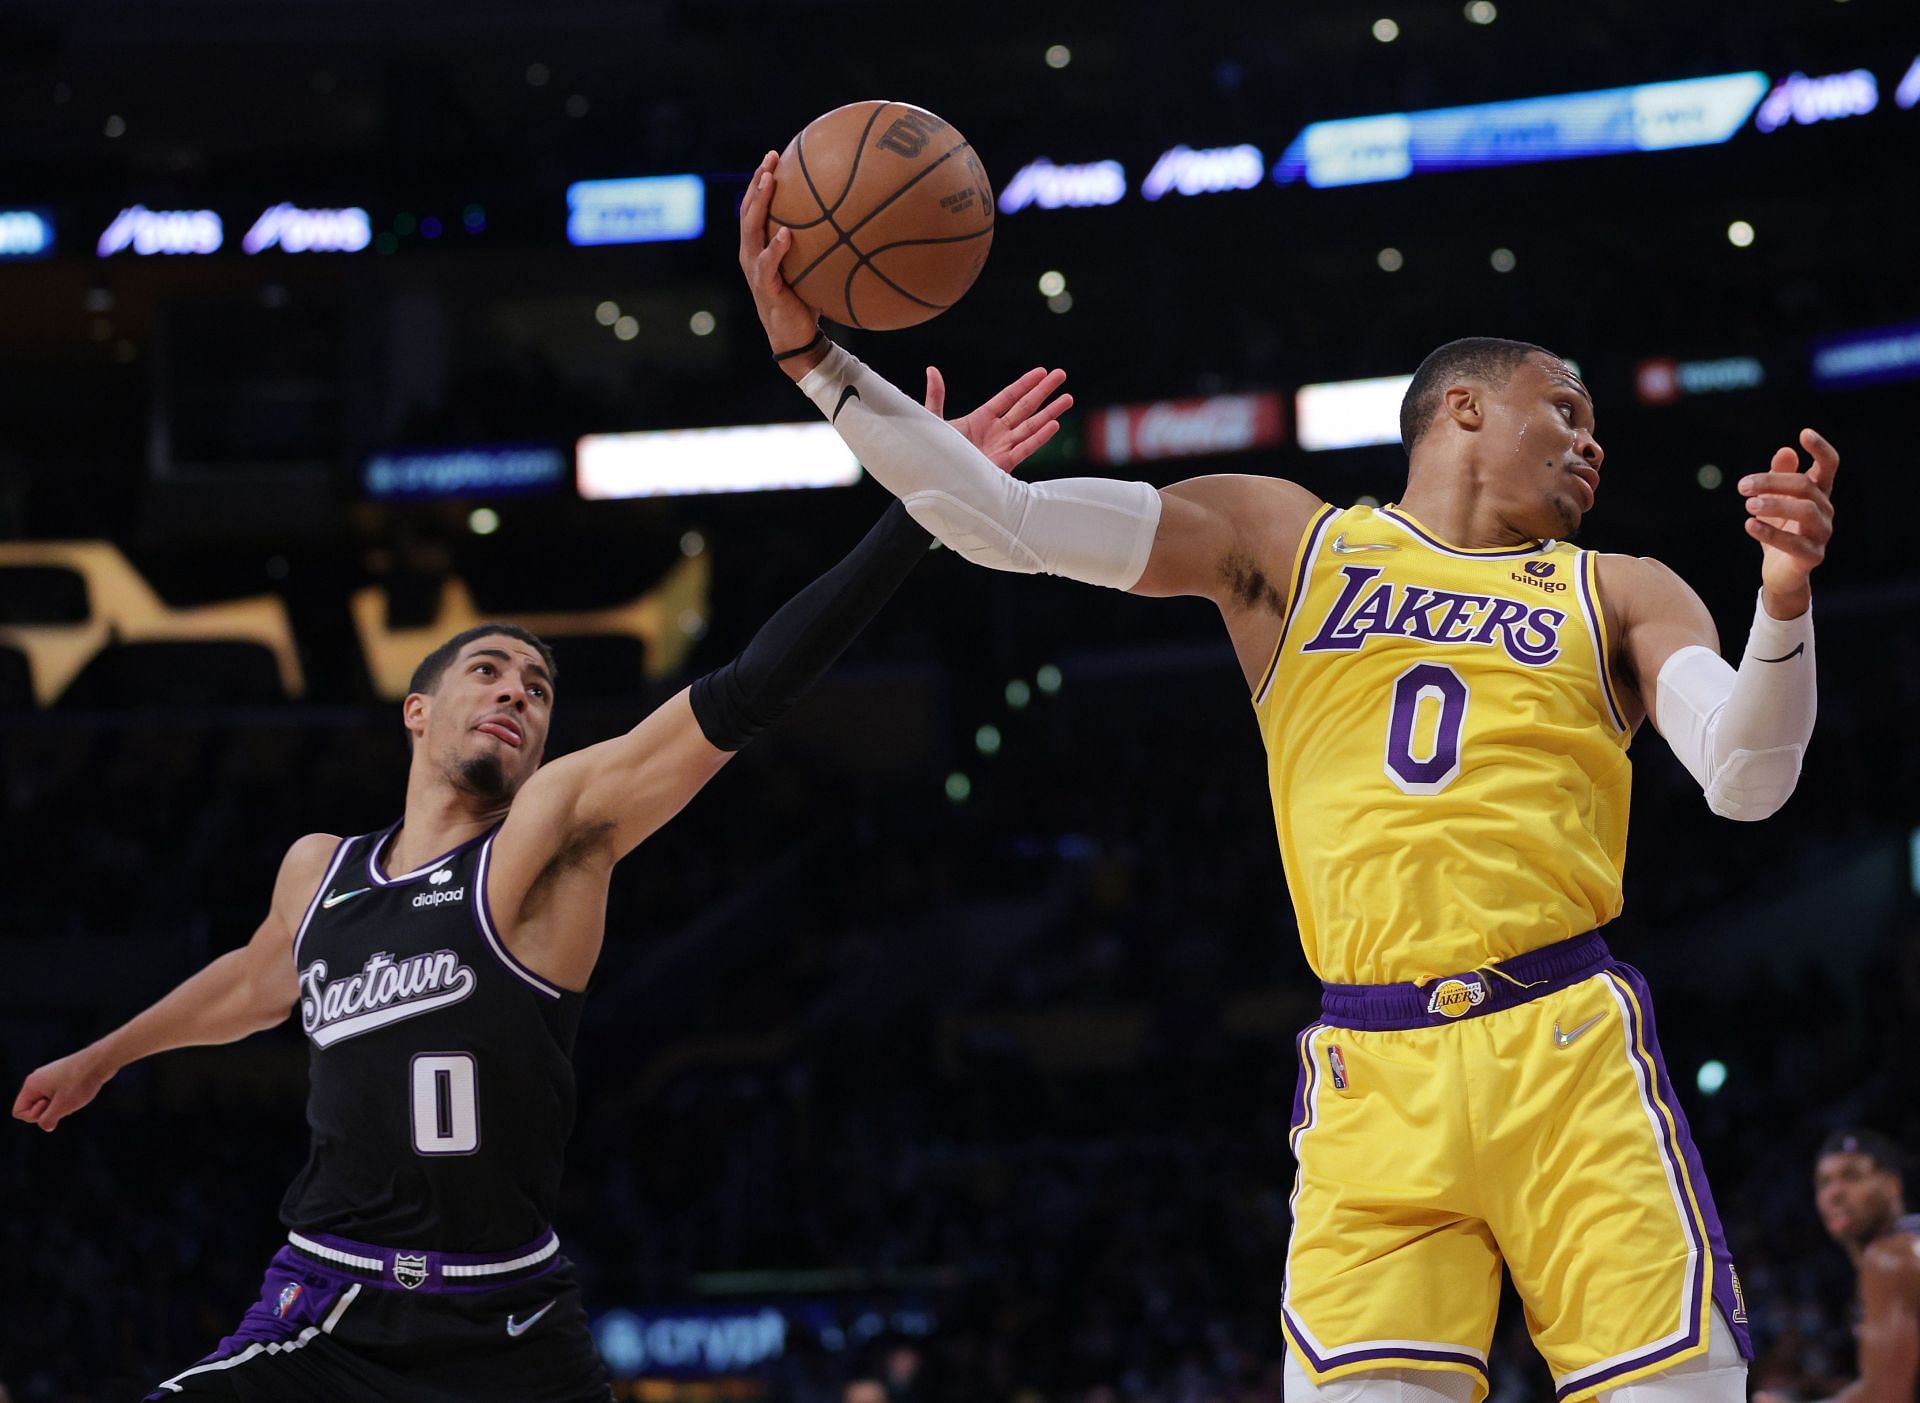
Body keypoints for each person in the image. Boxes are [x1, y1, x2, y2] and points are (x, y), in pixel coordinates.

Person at [736, 149, 1841, 1403]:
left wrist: (1785, 604)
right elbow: (1009, 521)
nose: (1592, 444)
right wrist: (818, 363)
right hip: (1375, 1072)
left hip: (1566, 1050)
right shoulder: (1288, 540)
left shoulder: (1625, 588)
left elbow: (1747, 775)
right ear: (1465, 408)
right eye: (1567, 412)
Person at [9, 367, 1069, 1402]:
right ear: (416, 711)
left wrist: (917, 513)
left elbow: (747, 690)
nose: (517, 691)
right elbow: (254, 981)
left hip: (511, 1321)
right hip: (332, 1302)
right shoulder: (318, 866)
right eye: (489, 670)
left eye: (539, 689)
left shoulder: (546, 840)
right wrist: (106, 1056)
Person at [1755, 1131, 1920, 1403]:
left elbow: (1888, 1398)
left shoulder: (1891, 1259)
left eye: (1852, 1177)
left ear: (1892, 1185)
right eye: (1823, 1183)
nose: (1835, 1193)